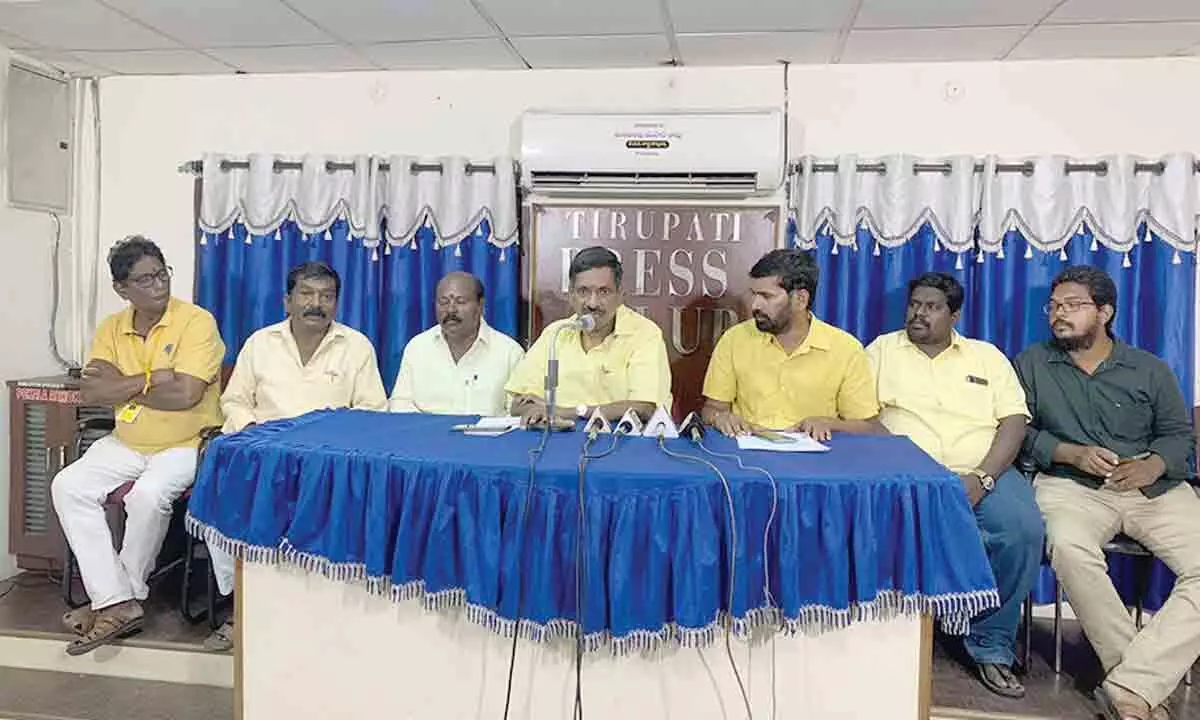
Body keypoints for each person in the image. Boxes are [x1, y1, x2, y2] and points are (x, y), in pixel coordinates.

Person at [1016, 265, 1198, 720]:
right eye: (1054, 306)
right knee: (1070, 548)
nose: (1059, 314)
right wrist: (1068, 453)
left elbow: (1179, 436)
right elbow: (1018, 431)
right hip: (1071, 486)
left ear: (1105, 312)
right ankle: (1136, 690)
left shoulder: (1148, 368)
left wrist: (1153, 463)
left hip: (1152, 488)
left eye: (1073, 305)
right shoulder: (1032, 364)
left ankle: (1128, 687)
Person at [866, 272, 1044, 699]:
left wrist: (982, 478)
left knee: (1021, 530)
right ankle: (883, 641)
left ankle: (990, 644)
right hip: (904, 474)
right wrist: (911, 467)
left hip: (981, 471)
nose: (919, 313)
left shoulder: (986, 357)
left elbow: (1014, 421)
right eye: (914, 305)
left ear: (955, 314)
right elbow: (862, 416)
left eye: (931, 307)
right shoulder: (880, 352)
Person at [52, 236, 225, 656]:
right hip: (127, 441)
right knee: (67, 486)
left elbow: (186, 395)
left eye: (162, 273)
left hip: (187, 442)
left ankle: (118, 601)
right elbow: (94, 389)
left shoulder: (196, 322)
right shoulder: (113, 326)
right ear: (122, 288)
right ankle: (116, 601)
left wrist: (126, 387)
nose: (158, 285)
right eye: (144, 279)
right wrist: (153, 380)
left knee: (148, 496)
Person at [205, 261, 388, 651]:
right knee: (223, 501)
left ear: (337, 302)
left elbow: (373, 413)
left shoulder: (355, 347)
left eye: (326, 296)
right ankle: (242, 608)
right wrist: (253, 432)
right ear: (287, 300)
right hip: (264, 457)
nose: (316, 304)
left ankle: (316, 616)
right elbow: (234, 400)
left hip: (330, 465)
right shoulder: (260, 343)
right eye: (306, 294)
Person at [701, 248, 879, 440]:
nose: (755, 305)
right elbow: (712, 409)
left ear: (801, 299)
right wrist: (721, 418)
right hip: (745, 459)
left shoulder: (845, 349)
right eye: (754, 294)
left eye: (766, 296)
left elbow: (868, 427)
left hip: (816, 463)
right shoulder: (734, 339)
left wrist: (829, 423)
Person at [505, 246, 671, 425]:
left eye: (603, 292)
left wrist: (565, 411)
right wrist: (533, 410)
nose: (592, 303)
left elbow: (644, 408)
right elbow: (517, 404)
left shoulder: (644, 334)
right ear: (571, 295)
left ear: (620, 296)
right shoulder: (556, 334)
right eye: (583, 291)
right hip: (557, 443)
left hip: (621, 445)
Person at [389, 271, 524, 416]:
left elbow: (517, 413)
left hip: (486, 437)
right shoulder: (417, 347)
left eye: (460, 302)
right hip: (425, 436)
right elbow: (400, 403)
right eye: (444, 302)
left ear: (480, 305)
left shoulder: (509, 352)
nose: (451, 310)